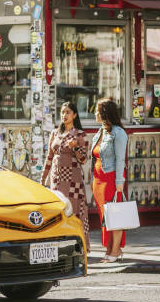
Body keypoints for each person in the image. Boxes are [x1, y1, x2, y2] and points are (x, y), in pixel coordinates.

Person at [41, 102, 91, 252]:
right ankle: (56, 247)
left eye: (68, 112)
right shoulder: (54, 133)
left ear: (74, 115)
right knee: (57, 212)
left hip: (73, 182)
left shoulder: (81, 135)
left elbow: (83, 160)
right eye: (62, 112)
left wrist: (75, 147)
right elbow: (49, 158)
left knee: (74, 212)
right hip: (56, 180)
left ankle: (78, 247)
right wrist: (43, 179)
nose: (64, 115)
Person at [89, 98, 128, 262]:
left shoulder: (118, 133)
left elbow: (120, 159)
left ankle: (115, 251)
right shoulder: (101, 131)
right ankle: (110, 248)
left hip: (111, 178)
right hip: (98, 180)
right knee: (105, 216)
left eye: (97, 110)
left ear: (105, 113)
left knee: (114, 215)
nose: (95, 113)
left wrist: (120, 181)